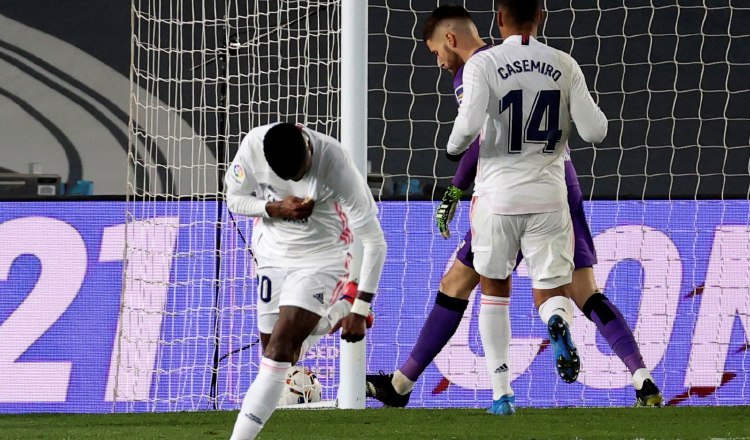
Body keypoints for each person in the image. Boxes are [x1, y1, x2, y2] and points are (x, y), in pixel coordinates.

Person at [366, 2, 662, 411]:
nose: (438, 61)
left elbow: (474, 139)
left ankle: (483, 391)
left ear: (450, 40)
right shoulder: (554, 62)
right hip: (558, 185)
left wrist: (455, 189)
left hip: (503, 190)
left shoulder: (478, 69)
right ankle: (642, 378)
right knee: (581, 290)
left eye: (436, 51)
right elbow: (592, 127)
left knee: (471, 286)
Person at [226, 122, 387, 440]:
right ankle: (340, 307)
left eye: (301, 172)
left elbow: (375, 242)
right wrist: (272, 207)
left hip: (321, 258)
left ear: (308, 148)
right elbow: (234, 199)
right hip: (271, 255)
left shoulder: (335, 162)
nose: (297, 181)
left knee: (278, 353)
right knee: (279, 352)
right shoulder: (253, 145)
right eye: (288, 177)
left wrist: (363, 306)